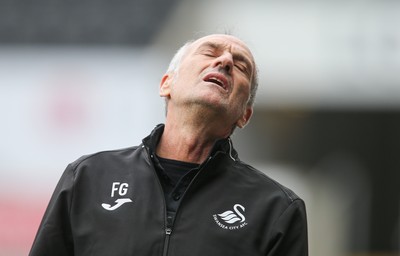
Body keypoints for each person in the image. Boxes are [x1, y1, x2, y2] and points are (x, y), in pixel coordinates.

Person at [29, 34, 308, 256]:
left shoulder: (276, 208)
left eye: (240, 65)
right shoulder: (88, 177)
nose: (224, 61)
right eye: (210, 53)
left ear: (244, 115)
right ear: (166, 84)